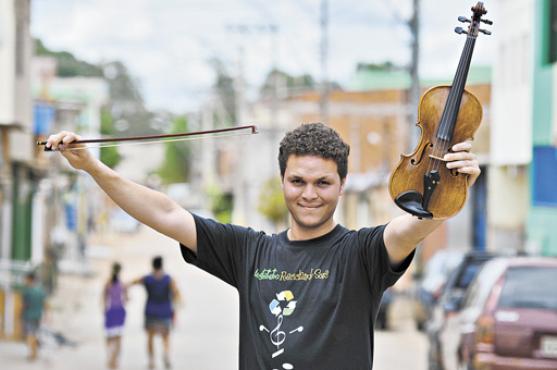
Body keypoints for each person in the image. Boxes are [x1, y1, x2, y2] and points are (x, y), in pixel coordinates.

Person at [45, 122, 480, 369]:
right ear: (283, 182)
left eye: (323, 182)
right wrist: (93, 167)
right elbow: (165, 213)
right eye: (298, 181)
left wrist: (452, 190)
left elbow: (415, 226)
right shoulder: (248, 250)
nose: (309, 194)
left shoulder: (362, 254)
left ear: (343, 184)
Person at [129, 256, 180, 370]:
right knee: (166, 337)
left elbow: (133, 282)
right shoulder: (168, 279)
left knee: (150, 338)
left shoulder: (147, 278)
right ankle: (166, 354)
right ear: (162, 265)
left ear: (153, 265)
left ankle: (151, 361)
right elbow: (176, 294)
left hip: (150, 311)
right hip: (165, 312)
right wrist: (175, 309)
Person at [103, 262, 127, 369]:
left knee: (109, 338)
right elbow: (126, 299)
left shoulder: (107, 284)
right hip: (120, 311)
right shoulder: (122, 284)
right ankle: (115, 360)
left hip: (110, 311)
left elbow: (104, 299)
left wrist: (105, 311)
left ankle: (109, 357)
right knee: (118, 338)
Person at [21, 271, 46, 361]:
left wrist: (19, 315)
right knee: (34, 334)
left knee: (29, 335)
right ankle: (35, 353)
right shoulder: (40, 290)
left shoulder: (27, 291)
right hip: (38, 316)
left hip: (28, 316)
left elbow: (24, 305)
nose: (24, 280)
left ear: (29, 279)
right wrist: (46, 316)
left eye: (25, 279)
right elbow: (45, 304)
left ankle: (31, 353)